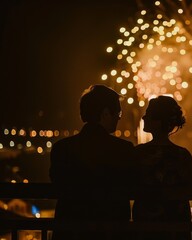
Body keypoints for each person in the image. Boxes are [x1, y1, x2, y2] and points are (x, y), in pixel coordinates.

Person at [49, 85, 134, 240]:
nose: (119, 117)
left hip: (69, 232)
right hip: (112, 233)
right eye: (118, 113)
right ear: (106, 114)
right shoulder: (124, 150)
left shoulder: (61, 148)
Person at [133, 96, 192, 240]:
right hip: (176, 229)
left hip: (145, 228)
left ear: (158, 121)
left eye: (148, 114)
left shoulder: (138, 153)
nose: (143, 117)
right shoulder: (183, 155)